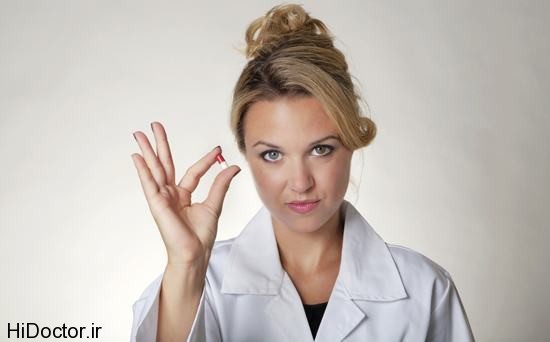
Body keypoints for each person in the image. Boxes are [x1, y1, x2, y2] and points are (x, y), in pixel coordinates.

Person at [129, 3, 475, 341]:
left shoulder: (425, 290)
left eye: (320, 149)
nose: (300, 182)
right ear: (247, 155)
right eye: (273, 154)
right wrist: (187, 265)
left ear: (352, 141)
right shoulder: (196, 286)